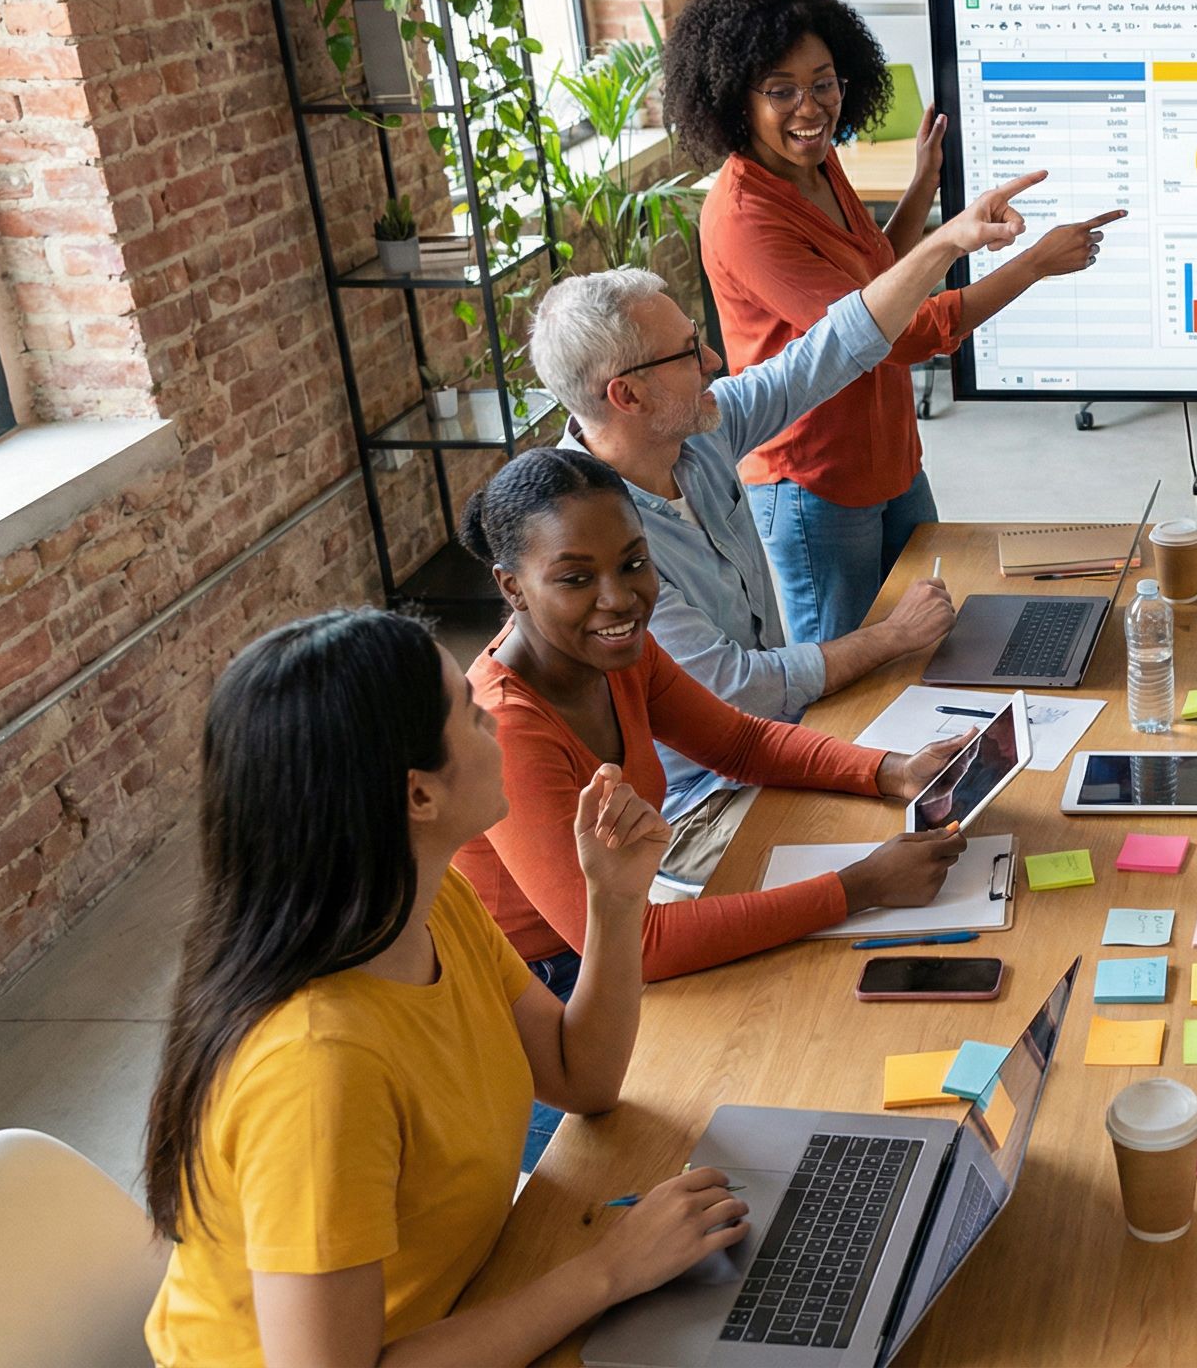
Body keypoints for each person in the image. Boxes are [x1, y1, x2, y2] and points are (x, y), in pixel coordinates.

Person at [143, 610, 748, 1365]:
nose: (493, 714)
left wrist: (616, 902)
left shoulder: (429, 905)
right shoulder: (317, 1070)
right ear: (418, 797)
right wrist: (608, 1271)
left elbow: (581, 1077)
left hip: (470, 1304)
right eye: (470, 710)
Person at [665, 0, 1126, 639]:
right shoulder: (744, 216)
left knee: (930, 639)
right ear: (736, 98)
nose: (811, 107)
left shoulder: (818, 164)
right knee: (844, 674)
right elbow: (897, 331)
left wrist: (924, 188)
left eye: (824, 82)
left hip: (891, 458)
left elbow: (876, 275)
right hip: (812, 481)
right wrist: (1030, 265)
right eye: (782, 91)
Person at [455, 446, 971, 990]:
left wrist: (895, 770)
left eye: (634, 564)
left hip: (616, 937)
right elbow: (635, 947)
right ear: (513, 587)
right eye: (575, 580)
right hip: (543, 983)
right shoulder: (507, 730)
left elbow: (741, 744)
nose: (621, 599)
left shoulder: (616, 651)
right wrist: (860, 887)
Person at [531, 256, 973, 882]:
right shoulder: (591, 540)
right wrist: (890, 637)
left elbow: (822, 355)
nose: (712, 359)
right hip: (696, 806)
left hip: (772, 743)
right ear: (626, 395)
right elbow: (737, 689)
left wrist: (949, 240)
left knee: (954, 789)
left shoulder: (689, 429)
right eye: (687, 351)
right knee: (928, 848)